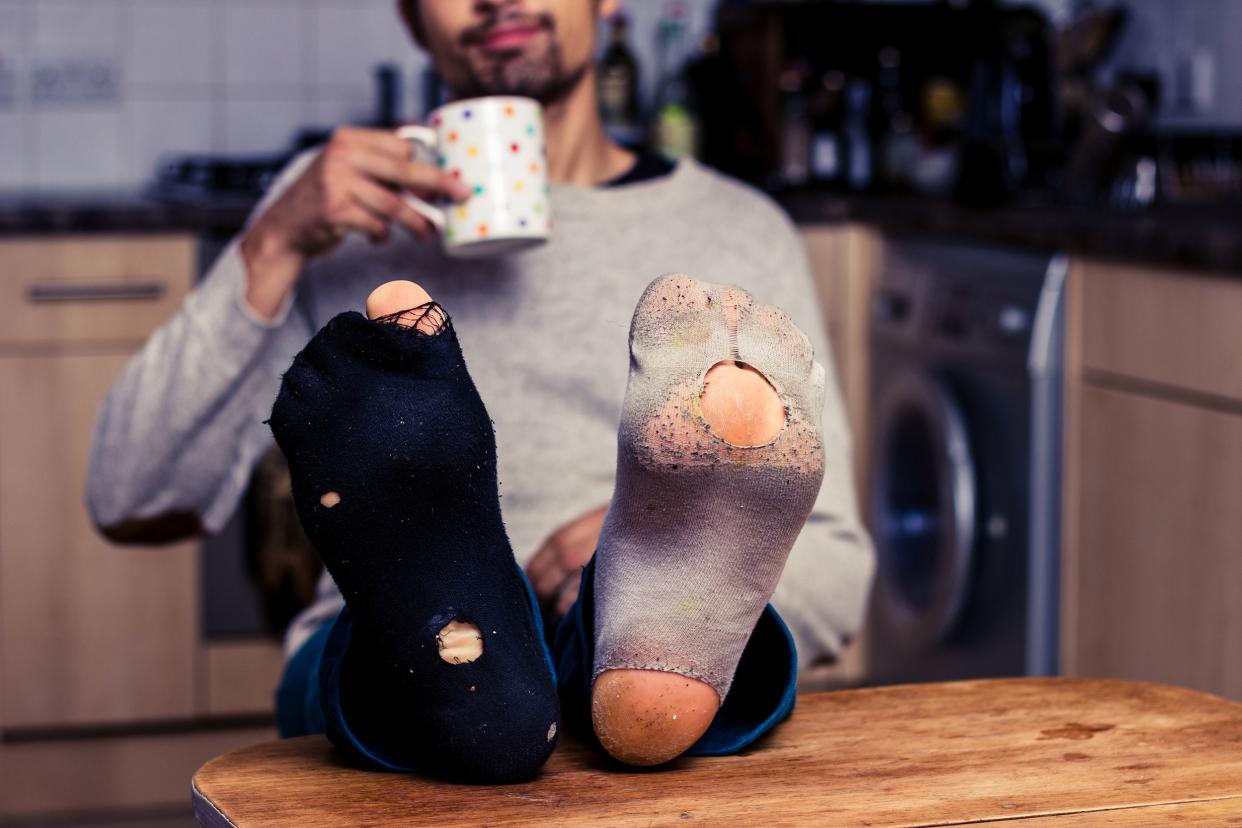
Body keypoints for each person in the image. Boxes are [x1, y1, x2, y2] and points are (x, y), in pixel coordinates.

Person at [86, 0, 874, 780]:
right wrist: (271, 243)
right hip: (377, 632)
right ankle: (462, 632)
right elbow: (130, 494)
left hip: (627, 624)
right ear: (410, 17)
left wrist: (646, 533)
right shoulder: (334, 215)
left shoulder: (739, 227)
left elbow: (840, 567)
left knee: (647, 622)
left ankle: (631, 615)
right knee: (378, 649)